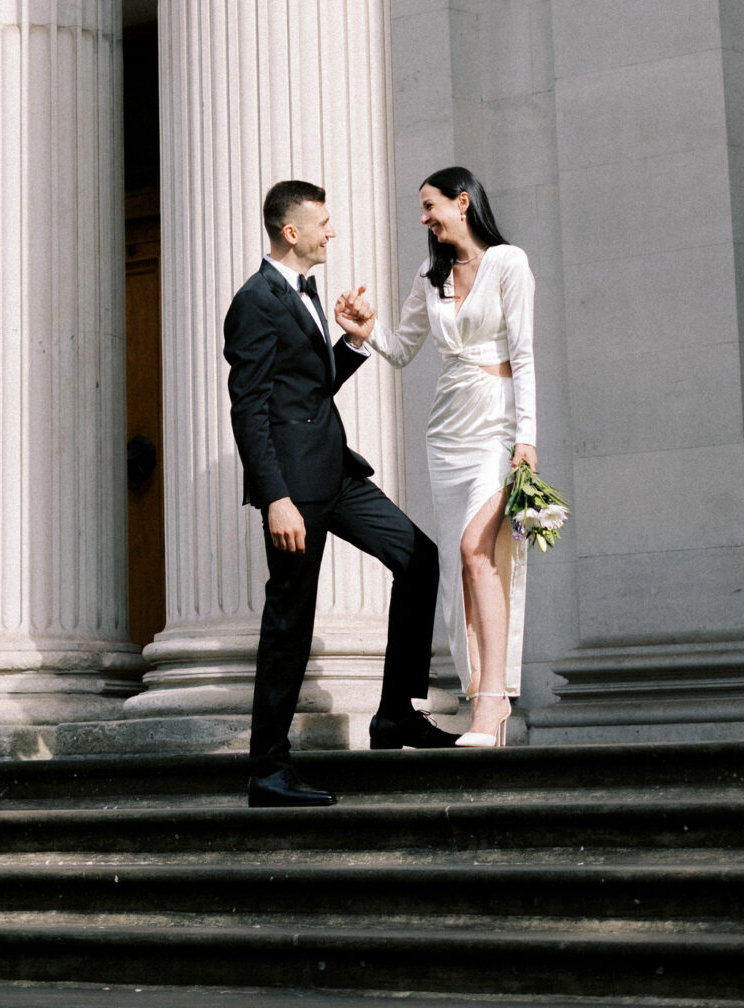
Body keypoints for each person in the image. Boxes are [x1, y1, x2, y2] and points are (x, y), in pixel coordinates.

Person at [223, 178, 455, 809]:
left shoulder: (306, 293)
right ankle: (268, 770)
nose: (333, 231)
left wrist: (350, 342)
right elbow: (250, 409)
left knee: (419, 556)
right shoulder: (256, 299)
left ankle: (394, 714)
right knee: (290, 621)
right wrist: (274, 498)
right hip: (295, 490)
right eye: (323, 222)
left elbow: (308, 387)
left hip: (337, 473)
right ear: (290, 231)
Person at [335, 167, 536, 750]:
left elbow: (524, 356)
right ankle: (482, 697)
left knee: (480, 553)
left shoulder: (509, 263)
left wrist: (527, 439)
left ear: (462, 201)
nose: (423, 218)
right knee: (460, 566)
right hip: (447, 431)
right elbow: (401, 351)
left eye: (430, 206)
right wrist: (364, 331)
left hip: (497, 426)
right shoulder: (431, 273)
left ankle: (491, 702)